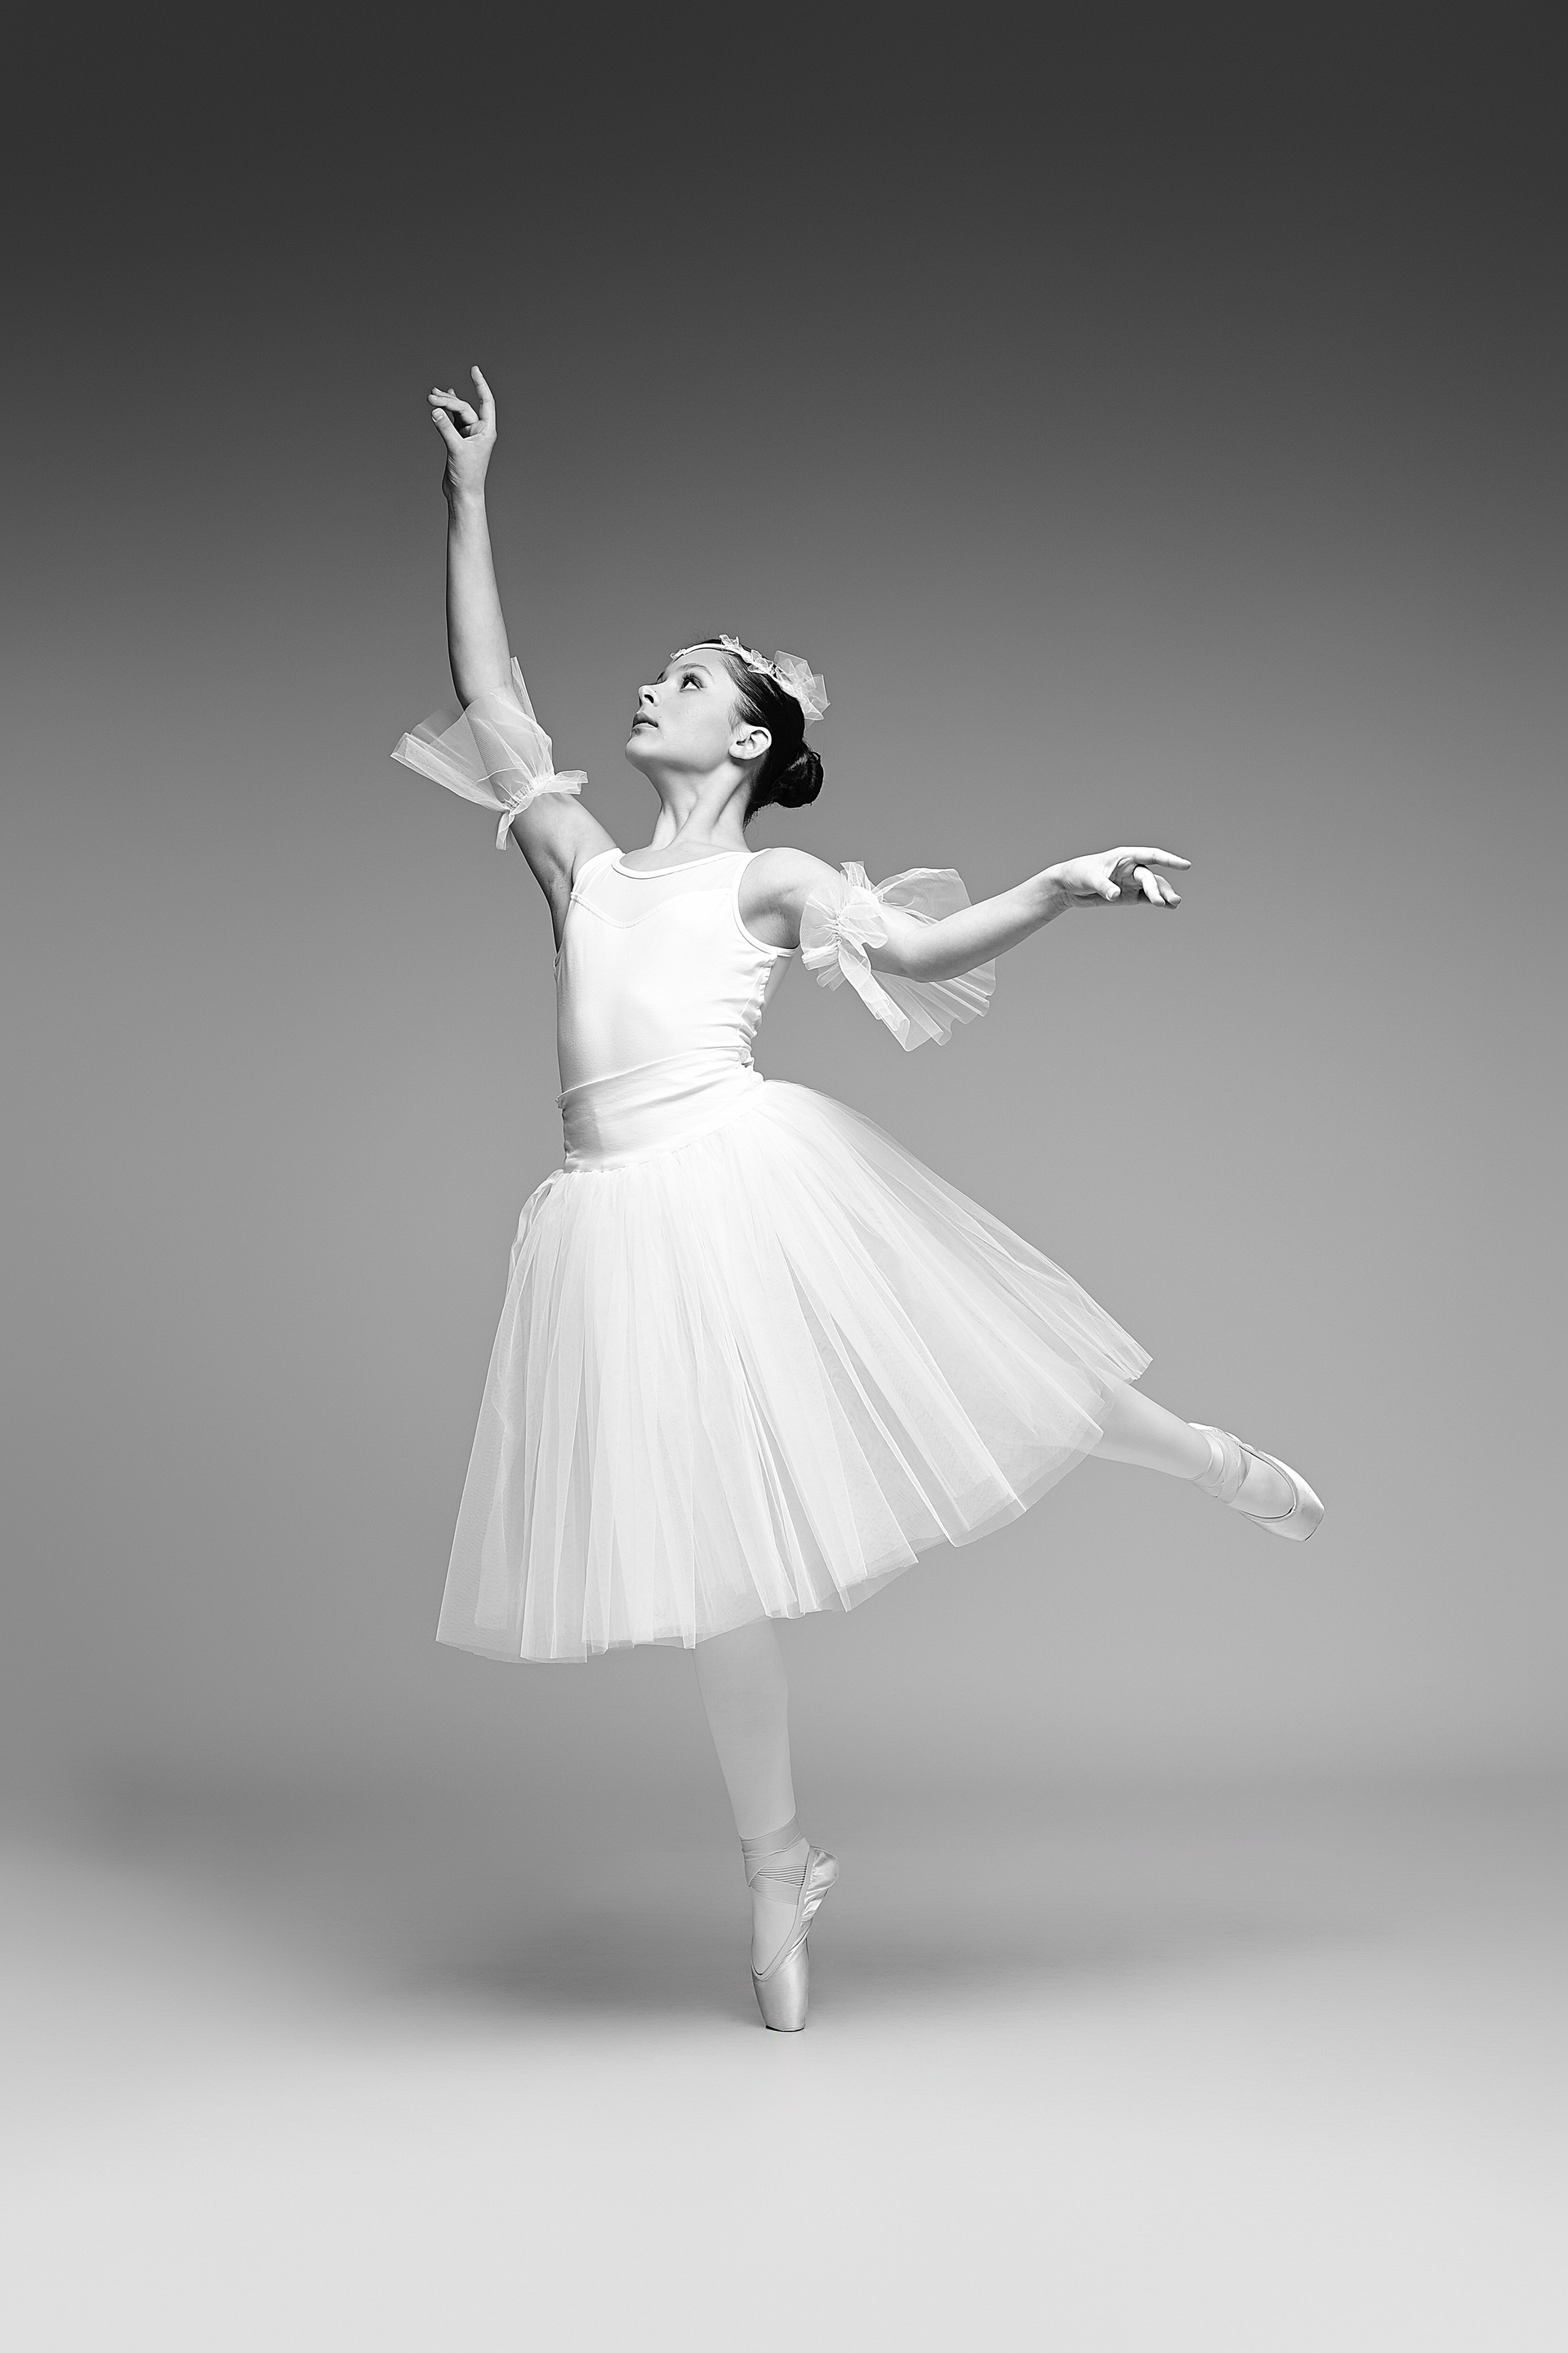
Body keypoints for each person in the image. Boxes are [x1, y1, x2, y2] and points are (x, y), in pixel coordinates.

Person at [393, 368, 1324, 2033]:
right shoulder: (583, 864)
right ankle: (777, 1866)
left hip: (743, 1186)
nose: (649, 686)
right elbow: (486, 689)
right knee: (715, 1574)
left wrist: (1062, 884)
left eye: (684, 678)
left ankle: (1209, 1458)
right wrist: (469, 497)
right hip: (615, 1228)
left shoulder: (772, 876)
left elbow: (920, 946)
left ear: (745, 736)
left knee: (986, 1376)